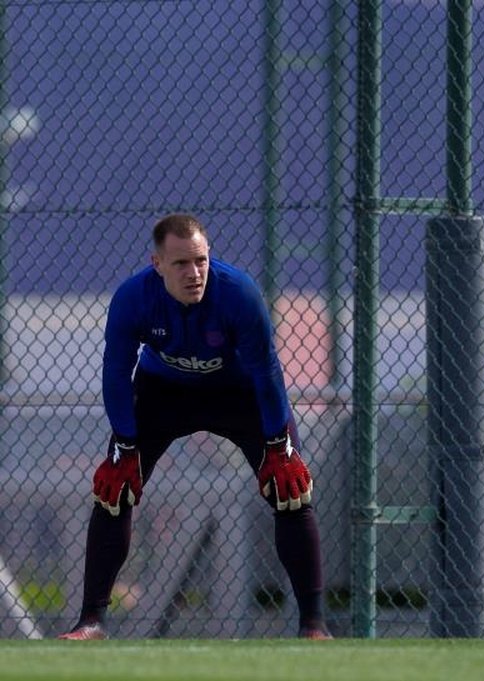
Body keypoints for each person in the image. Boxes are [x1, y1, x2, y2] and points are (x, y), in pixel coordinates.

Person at [59, 213, 331, 640]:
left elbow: (267, 371)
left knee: (291, 490)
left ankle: (313, 625)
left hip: (236, 392)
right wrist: (125, 447)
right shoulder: (133, 298)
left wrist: (280, 446)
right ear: (157, 263)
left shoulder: (239, 293)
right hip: (163, 392)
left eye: (201, 261)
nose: (194, 273)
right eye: (181, 263)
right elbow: (116, 374)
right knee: (114, 492)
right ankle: (91, 621)